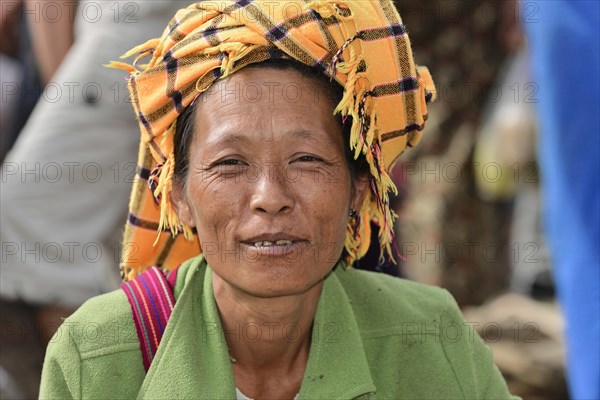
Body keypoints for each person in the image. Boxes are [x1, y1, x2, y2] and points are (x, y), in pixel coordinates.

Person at [39, 1, 519, 398]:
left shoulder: (431, 339)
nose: (270, 198)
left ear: (359, 187)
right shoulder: (99, 356)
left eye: (307, 159)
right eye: (229, 164)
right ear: (178, 195)